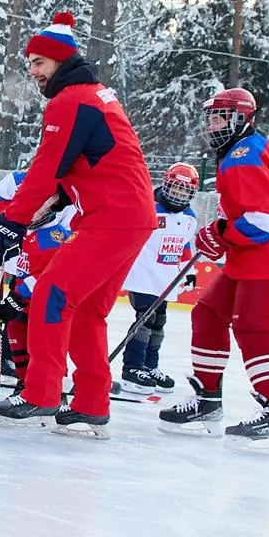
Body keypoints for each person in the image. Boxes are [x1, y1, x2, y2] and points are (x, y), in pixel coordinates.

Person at [0, 12, 155, 437]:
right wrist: (61, 198)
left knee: (51, 294)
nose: (34, 73)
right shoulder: (95, 96)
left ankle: (41, 394)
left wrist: (11, 223)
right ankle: (90, 405)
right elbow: (94, 159)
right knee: (87, 314)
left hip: (112, 218)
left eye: (40, 64)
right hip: (130, 216)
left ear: (61, 61)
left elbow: (46, 167)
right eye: (30, 65)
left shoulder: (71, 100)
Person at [158, 88, 269, 451]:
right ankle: (208, 399)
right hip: (252, 255)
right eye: (210, 117)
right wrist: (224, 227)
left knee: (254, 327)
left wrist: (220, 233)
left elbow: (264, 220)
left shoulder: (242, 157)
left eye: (220, 117)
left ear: (242, 118)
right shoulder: (254, 146)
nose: (212, 124)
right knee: (207, 314)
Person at [114, 162, 201, 396]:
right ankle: (132, 368)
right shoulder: (148, 208)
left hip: (166, 279)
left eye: (185, 191)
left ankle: (150, 366)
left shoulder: (189, 217)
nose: (179, 194)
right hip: (142, 275)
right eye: (176, 188)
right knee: (145, 318)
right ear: (166, 185)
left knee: (158, 322)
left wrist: (189, 271)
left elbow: (184, 246)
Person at [0, 165, 76, 383]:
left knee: (38, 321)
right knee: (16, 315)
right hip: (20, 246)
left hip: (47, 256)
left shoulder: (68, 194)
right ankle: (9, 363)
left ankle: (48, 378)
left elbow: (67, 232)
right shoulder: (20, 179)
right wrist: (10, 223)